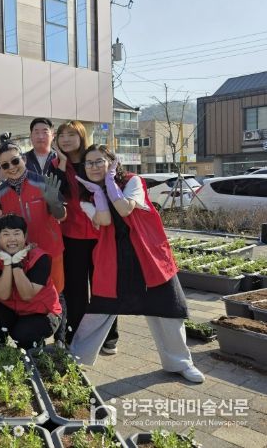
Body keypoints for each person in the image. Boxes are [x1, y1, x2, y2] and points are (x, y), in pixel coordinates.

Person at [69, 145, 205, 383]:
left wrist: (110, 183)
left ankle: (180, 363)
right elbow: (105, 219)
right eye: (88, 163)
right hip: (112, 257)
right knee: (99, 310)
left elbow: (124, 209)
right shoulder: (86, 197)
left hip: (148, 254)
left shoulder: (133, 181)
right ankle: (75, 360)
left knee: (168, 309)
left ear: (112, 162)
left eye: (99, 161)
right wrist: (99, 193)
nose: (93, 167)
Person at [0, 135, 66, 342]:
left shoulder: (43, 182)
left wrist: (54, 203)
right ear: (0, 168)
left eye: (15, 161)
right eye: (5, 165)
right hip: (21, 254)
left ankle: (61, 340)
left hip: (49, 250)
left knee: (57, 293)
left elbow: (61, 215)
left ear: (23, 158)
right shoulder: (0, 192)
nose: (12, 167)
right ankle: (29, 334)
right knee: (24, 293)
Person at [53, 121, 118, 353]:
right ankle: (76, 335)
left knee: (104, 285)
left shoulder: (94, 160)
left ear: (81, 136)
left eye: (71, 134)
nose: (66, 139)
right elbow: (55, 194)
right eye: (62, 135)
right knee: (75, 290)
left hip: (101, 232)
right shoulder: (56, 164)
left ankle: (109, 335)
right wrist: (61, 164)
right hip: (71, 235)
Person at [0, 214, 62, 350]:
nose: (12, 239)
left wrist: (16, 264)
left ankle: (34, 351)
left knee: (23, 333)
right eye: (6, 234)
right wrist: (7, 263)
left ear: (25, 237)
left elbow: (27, 295)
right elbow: (3, 295)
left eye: (16, 233)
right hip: (11, 308)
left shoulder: (40, 258)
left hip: (42, 312)